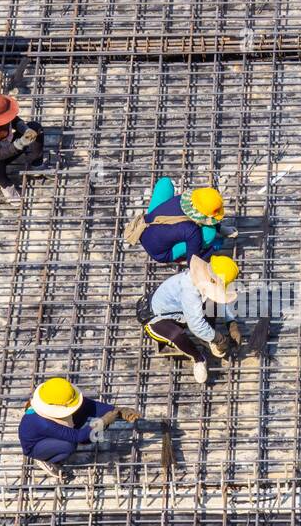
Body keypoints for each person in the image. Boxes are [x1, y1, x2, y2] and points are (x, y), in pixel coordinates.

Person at [139, 255, 238, 384]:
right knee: (176, 335)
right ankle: (198, 359)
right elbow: (196, 324)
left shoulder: (205, 278)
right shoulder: (190, 290)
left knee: (212, 303)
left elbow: (220, 297)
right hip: (156, 318)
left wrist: (231, 323)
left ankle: (206, 338)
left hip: (182, 312)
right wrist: (218, 338)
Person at [18, 378, 140, 480]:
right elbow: (77, 436)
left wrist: (119, 411)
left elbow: (90, 406)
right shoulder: (43, 423)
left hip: (50, 432)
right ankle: (47, 460)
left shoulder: (55, 401)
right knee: (68, 446)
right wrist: (103, 422)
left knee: (81, 411)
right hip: (36, 446)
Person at [137, 178, 236, 264]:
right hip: (158, 252)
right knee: (209, 234)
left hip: (148, 222)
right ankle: (180, 255)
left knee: (165, 183)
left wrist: (221, 228)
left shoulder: (180, 199)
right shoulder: (192, 230)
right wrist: (212, 248)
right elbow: (193, 262)